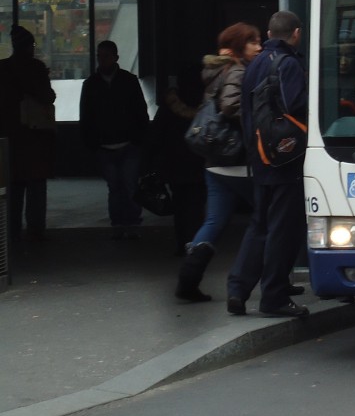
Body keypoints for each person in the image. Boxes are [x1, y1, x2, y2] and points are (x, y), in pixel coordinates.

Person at [226, 11, 310, 317]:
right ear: (297, 34)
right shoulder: (288, 64)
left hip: (259, 157)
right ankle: (273, 295)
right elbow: (297, 107)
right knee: (282, 228)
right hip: (285, 159)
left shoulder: (256, 64)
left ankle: (238, 289)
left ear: (269, 32)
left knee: (259, 225)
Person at [175, 23, 264, 302]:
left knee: (214, 220)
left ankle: (187, 282)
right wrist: (258, 123)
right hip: (237, 160)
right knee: (266, 218)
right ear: (239, 47)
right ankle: (254, 283)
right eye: (253, 42)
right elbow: (230, 106)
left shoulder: (216, 71)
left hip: (214, 162)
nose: (258, 46)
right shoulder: (237, 70)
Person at [80, 39, 149, 239]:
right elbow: (140, 112)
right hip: (125, 143)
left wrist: (91, 142)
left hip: (108, 144)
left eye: (105, 56)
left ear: (114, 57)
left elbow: (87, 116)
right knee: (127, 186)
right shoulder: (128, 81)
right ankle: (129, 224)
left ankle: (120, 224)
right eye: (101, 56)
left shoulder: (91, 84)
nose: (102, 60)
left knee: (117, 188)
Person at [0, 25, 57, 241]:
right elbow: (48, 97)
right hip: (35, 138)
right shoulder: (36, 68)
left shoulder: (3, 69)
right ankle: (35, 230)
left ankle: (11, 230)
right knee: (36, 187)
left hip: (9, 139)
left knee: (13, 188)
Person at [149, 63, 206, 257]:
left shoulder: (170, 104)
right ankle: (197, 242)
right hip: (199, 161)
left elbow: (157, 133)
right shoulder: (205, 103)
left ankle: (182, 242)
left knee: (180, 207)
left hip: (175, 163)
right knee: (197, 205)